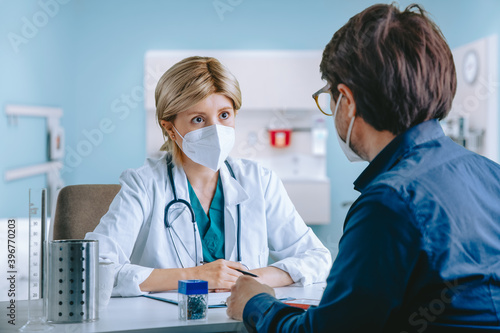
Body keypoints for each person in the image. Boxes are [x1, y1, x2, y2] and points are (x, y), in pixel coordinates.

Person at [226, 4, 500, 332]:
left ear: (347, 99)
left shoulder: (389, 201)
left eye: (328, 98)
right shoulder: (489, 173)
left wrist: (255, 302)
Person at [85, 56, 332, 296]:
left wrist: (249, 279)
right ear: (169, 128)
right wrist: (195, 275)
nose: (215, 130)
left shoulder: (259, 180)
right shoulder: (143, 185)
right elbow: (95, 270)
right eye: (198, 119)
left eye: (224, 115)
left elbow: (317, 258)